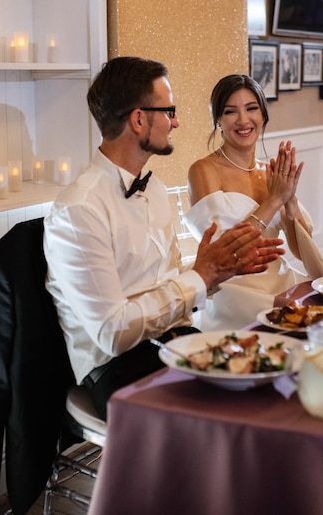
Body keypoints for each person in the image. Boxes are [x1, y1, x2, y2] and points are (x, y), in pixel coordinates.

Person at [43, 58, 285, 420]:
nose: (176, 121)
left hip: (174, 341)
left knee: (277, 381)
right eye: (169, 110)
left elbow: (165, 286)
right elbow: (112, 333)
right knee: (238, 417)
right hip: (119, 368)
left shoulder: (152, 189)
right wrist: (201, 276)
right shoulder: (80, 209)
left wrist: (217, 272)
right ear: (139, 119)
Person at [185, 74, 323, 331]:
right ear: (218, 120)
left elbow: (299, 250)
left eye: (251, 109)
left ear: (263, 115)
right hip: (234, 291)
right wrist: (274, 199)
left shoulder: (270, 172)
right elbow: (225, 252)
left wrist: (290, 200)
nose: (243, 120)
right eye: (230, 112)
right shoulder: (203, 170)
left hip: (280, 279)